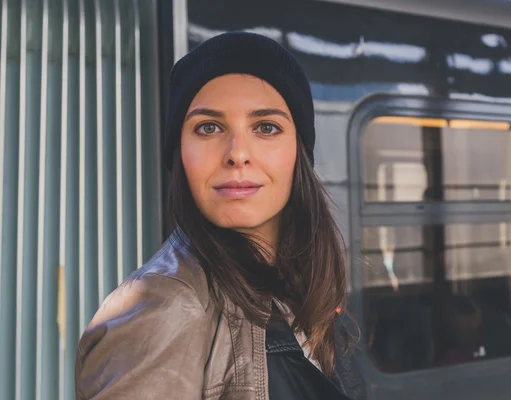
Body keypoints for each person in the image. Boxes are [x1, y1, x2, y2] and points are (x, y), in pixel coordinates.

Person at [74, 32, 365, 400]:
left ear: (299, 152)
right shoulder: (163, 309)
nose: (237, 153)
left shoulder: (300, 286)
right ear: (180, 154)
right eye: (208, 127)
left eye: (266, 127)